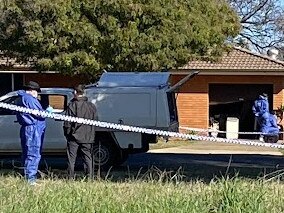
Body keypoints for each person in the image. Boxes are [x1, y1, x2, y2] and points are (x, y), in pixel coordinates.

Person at [16, 81, 53, 185]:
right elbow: (39, 114)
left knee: (27, 152)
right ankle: (30, 179)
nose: (37, 95)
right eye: (37, 92)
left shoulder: (21, 98)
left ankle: (26, 175)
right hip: (33, 128)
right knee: (33, 153)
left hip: (28, 128)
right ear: (32, 91)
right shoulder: (30, 99)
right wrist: (47, 112)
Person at [63, 84, 98, 179]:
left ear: (75, 92)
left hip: (74, 136)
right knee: (88, 158)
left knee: (71, 159)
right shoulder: (92, 106)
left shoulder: (72, 105)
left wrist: (67, 134)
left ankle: (70, 178)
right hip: (88, 136)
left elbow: (67, 123)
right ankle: (90, 178)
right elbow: (95, 121)